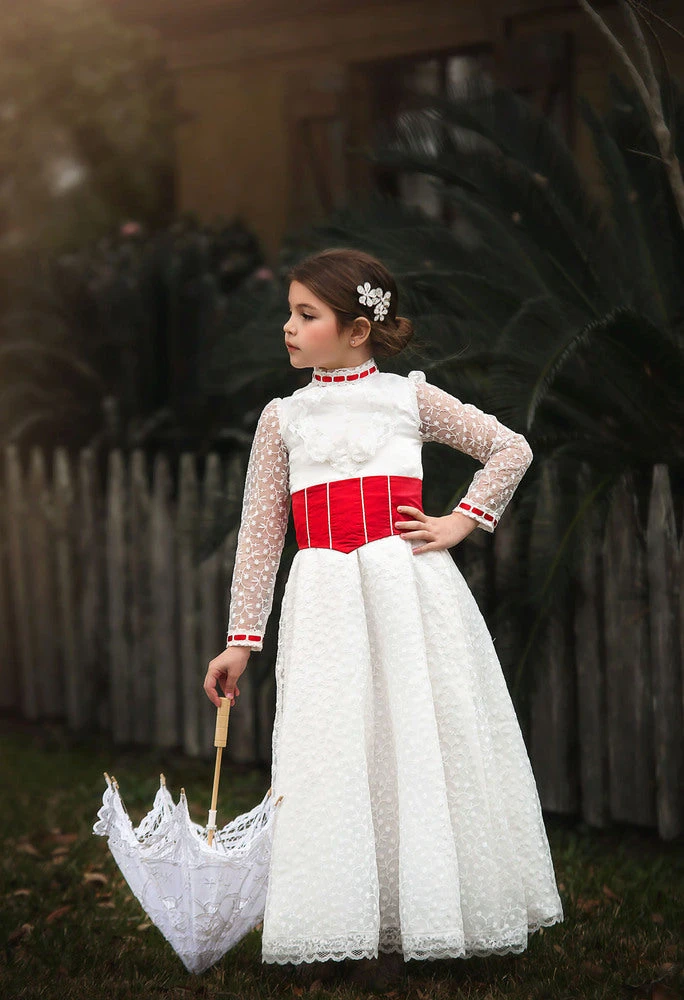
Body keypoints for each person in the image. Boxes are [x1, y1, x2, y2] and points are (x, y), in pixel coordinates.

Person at [203, 247, 564, 988]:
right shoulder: (284, 419)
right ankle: (344, 927)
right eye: (290, 312)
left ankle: (420, 918)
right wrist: (242, 641)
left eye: (306, 314)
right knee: (334, 749)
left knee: (414, 740)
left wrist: (462, 520)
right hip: (325, 601)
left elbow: (510, 448)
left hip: (408, 595)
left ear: (358, 329)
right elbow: (263, 532)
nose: (288, 327)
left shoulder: (409, 399)